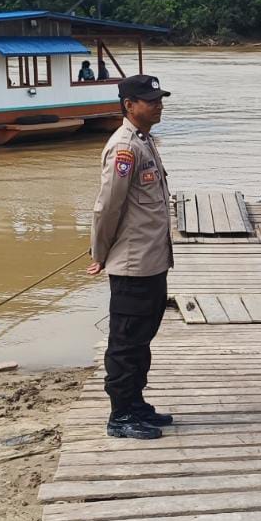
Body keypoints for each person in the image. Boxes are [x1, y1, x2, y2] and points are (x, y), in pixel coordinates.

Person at [88, 75, 174, 440]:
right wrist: (100, 252)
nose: (157, 105)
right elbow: (107, 207)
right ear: (129, 106)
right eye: (149, 100)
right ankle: (120, 415)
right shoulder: (124, 148)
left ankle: (136, 403)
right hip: (133, 264)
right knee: (124, 342)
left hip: (152, 260)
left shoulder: (144, 141)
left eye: (158, 99)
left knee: (141, 338)